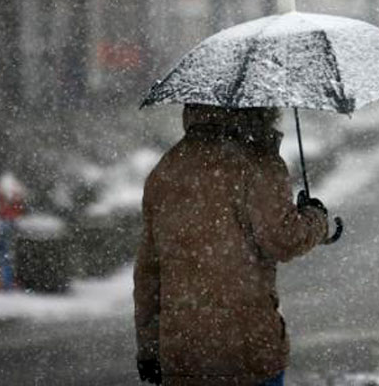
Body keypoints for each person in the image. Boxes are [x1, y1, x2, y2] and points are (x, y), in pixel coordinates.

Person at [133, 104, 329, 385]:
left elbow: (149, 272)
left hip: (182, 353)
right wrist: (315, 219)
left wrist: (150, 348)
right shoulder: (259, 163)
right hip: (246, 349)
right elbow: (284, 240)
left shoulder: (168, 167)